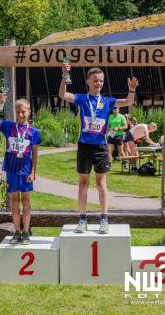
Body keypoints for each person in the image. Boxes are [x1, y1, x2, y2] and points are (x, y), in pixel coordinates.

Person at [59, 65, 139, 234]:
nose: (98, 83)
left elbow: (128, 102)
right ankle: (82, 219)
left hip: (101, 146)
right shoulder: (82, 98)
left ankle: (104, 218)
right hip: (84, 145)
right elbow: (62, 95)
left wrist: (131, 89)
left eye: (101, 81)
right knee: (83, 182)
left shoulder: (108, 101)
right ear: (88, 81)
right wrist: (65, 76)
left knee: (101, 182)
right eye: (95, 80)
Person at [0, 95, 41, 244]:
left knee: (26, 200)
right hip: (11, 168)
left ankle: (26, 232)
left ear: (29, 112)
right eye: (18, 112)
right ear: (15, 113)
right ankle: (16, 231)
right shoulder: (9, 126)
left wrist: (33, 171)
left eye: (24, 112)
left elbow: (35, 153)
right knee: (15, 200)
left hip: (25, 169)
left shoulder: (34, 132)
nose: (21, 114)